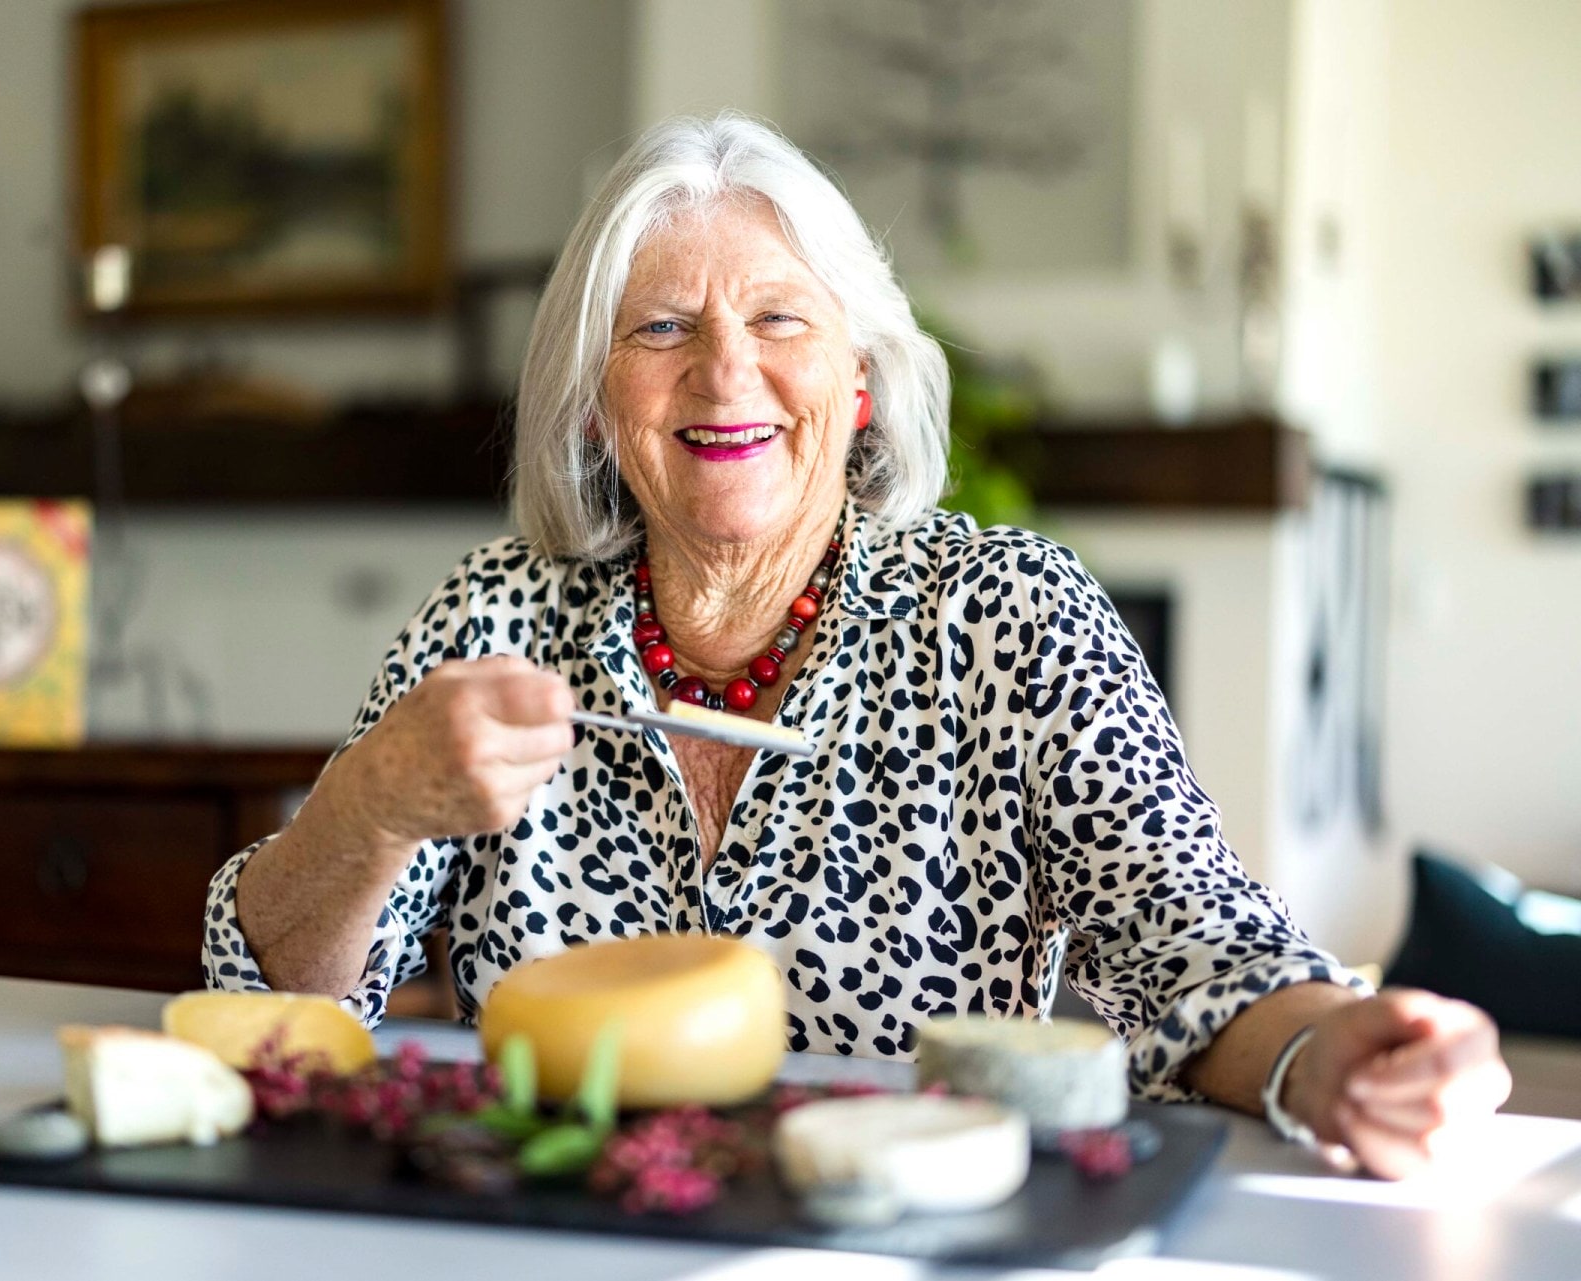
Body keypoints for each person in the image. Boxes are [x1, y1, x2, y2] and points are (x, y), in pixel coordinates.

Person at [206, 113, 1509, 1179]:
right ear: (598, 406)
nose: (726, 373)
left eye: (781, 320)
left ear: (861, 378)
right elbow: (288, 1007)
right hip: (564, 1233)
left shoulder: (1008, 617)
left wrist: (1336, 1052)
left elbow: (1196, 950)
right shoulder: (491, 618)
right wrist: (371, 802)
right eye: (662, 329)